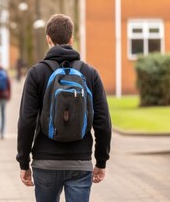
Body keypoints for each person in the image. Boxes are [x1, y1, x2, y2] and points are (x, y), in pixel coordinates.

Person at [16, 14, 112, 202]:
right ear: (71, 39)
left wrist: (24, 163)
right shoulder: (89, 73)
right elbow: (103, 122)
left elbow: (26, 121)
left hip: (45, 163)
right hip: (80, 162)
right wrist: (101, 161)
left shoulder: (37, 73)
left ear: (48, 39)